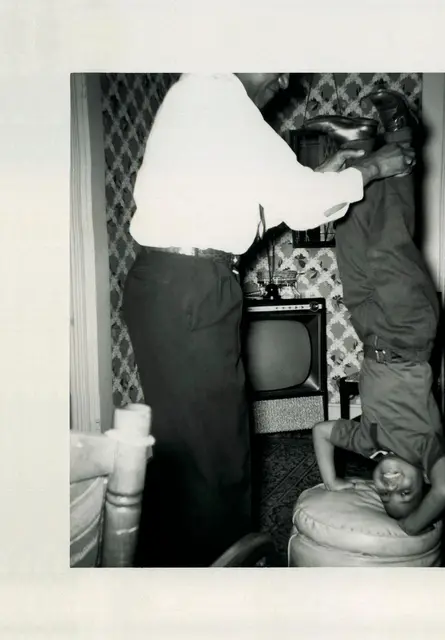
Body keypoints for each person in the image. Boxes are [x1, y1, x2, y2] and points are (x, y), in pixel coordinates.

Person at [121, 73, 415, 567]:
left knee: (193, 448)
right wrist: (374, 167)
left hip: (182, 281)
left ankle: (186, 563)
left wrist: (330, 172)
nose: (283, 80)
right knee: (213, 455)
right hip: (191, 283)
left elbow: (273, 209)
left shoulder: (204, 96)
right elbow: (301, 204)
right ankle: (216, 573)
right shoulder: (216, 89)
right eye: (281, 67)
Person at [306, 89, 445, 535]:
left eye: (385, 496)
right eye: (406, 493)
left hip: (369, 329)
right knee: (389, 241)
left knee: (350, 235)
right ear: (423, 478)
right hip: (410, 332)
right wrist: (409, 528)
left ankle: (360, 142)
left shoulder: (367, 442)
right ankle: (398, 132)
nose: (391, 487)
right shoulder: (427, 451)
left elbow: (320, 431)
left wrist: (333, 482)